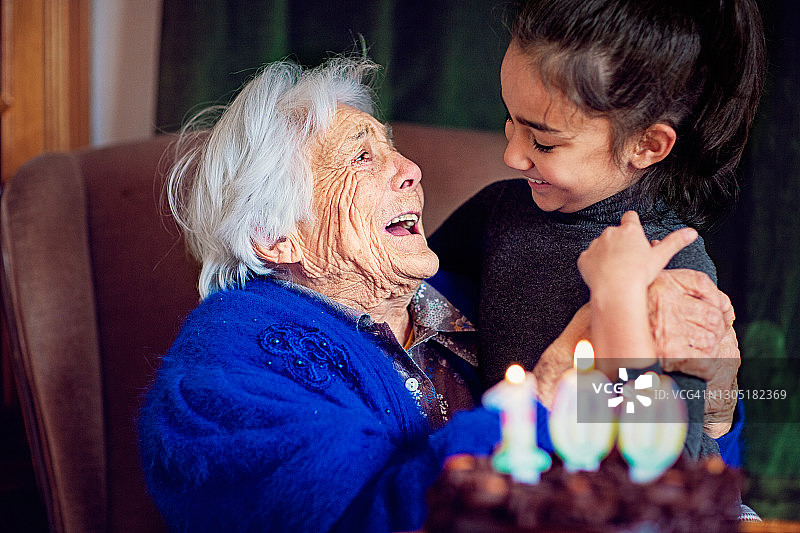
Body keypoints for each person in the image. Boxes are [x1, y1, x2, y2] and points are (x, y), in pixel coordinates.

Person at [138, 56, 743, 533]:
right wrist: (560, 378)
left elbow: (669, 500)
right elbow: (360, 520)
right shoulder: (220, 377)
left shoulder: (483, 289)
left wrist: (715, 413)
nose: (411, 169)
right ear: (274, 235)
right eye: (361, 157)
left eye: (391, 146)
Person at [429, 0, 764, 454]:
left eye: (543, 142)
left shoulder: (673, 272)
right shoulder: (498, 212)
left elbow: (670, 460)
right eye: (510, 122)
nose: (511, 156)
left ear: (647, 144)